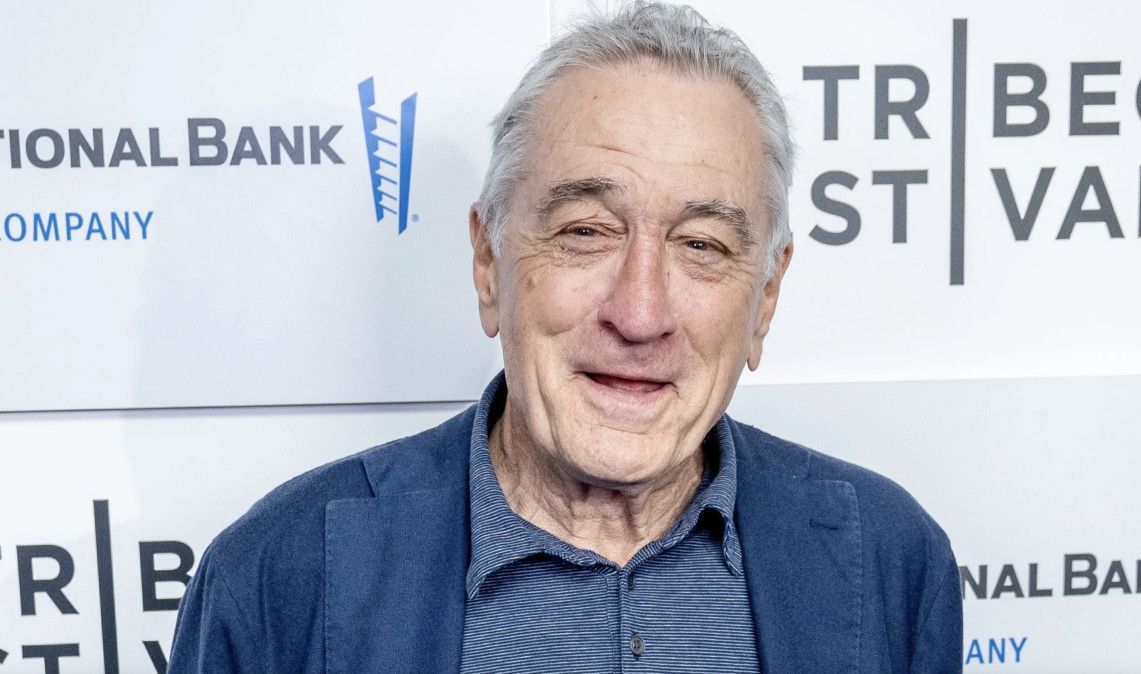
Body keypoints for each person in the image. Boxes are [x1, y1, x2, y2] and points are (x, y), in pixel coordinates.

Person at [168, 3, 962, 672]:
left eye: (702, 245)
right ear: (489, 263)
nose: (640, 314)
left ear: (767, 297)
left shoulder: (890, 559)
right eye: (586, 231)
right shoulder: (277, 576)